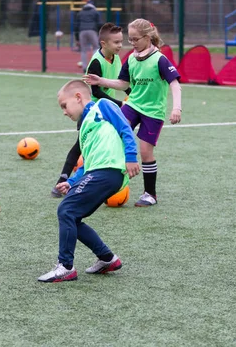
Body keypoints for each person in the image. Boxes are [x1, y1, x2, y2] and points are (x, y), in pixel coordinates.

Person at [38, 80, 139, 283]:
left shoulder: (102, 106)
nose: (64, 112)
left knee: (66, 210)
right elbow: (87, 163)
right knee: (72, 216)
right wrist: (72, 181)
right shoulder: (84, 128)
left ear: (78, 97)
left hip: (109, 170)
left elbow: (125, 128)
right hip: (98, 172)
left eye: (64, 106)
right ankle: (107, 258)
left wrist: (130, 156)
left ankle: (65, 266)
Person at [85, 18, 182, 207]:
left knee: (145, 152)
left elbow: (175, 84)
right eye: (130, 39)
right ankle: (103, 183)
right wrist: (101, 81)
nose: (132, 43)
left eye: (135, 39)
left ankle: (150, 194)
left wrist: (176, 107)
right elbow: (123, 84)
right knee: (114, 137)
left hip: (153, 111)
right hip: (133, 105)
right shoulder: (131, 58)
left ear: (147, 37)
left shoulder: (159, 59)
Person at [51, 22, 128, 198]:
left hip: (107, 111)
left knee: (109, 144)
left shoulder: (116, 58)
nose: (120, 45)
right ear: (103, 43)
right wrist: (120, 104)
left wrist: (132, 96)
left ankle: (105, 178)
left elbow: (121, 82)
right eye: (116, 42)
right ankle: (63, 182)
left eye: (121, 41)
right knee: (81, 147)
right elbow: (97, 92)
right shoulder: (96, 62)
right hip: (90, 112)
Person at [74, 0, 101, 71]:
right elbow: (99, 23)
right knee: (96, 47)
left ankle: (84, 67)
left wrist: (77, 38)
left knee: (83, 49)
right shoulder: (95, 12)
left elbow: (76, 26)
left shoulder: (80, 13)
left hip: (82, 31)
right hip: (92, 30)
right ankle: (93, 66)